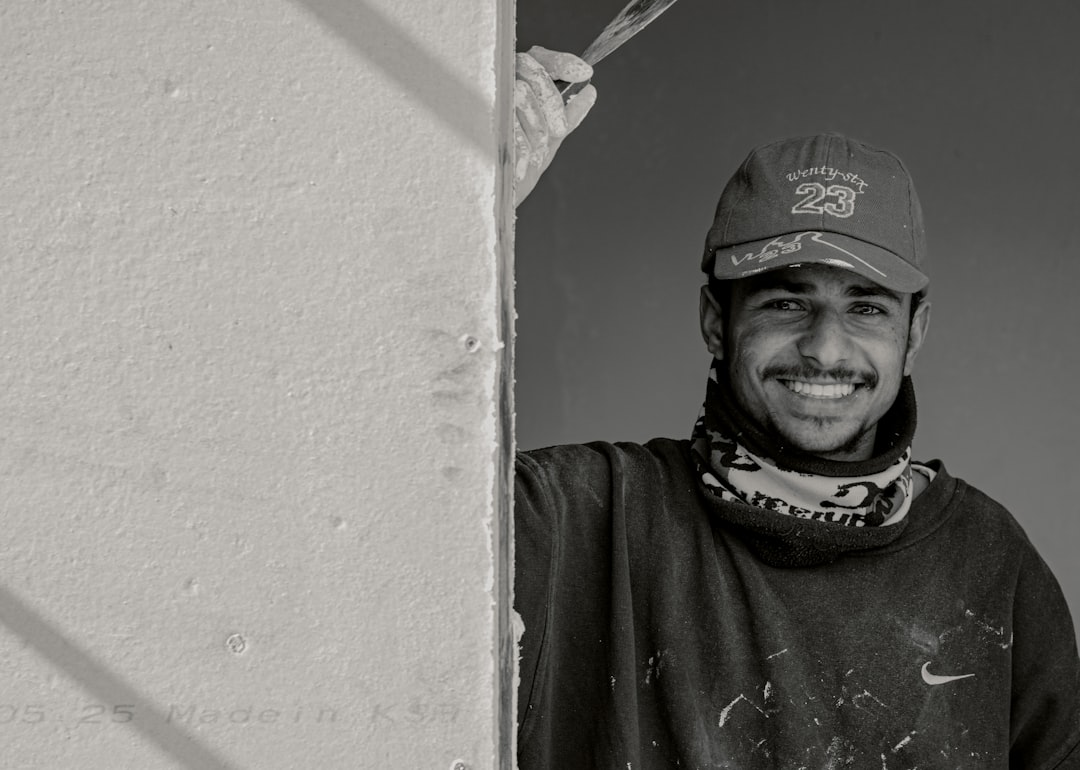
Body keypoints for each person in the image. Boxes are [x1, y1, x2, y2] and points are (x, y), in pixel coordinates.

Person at [512, 48, 1080, 768]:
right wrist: (461, 206)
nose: (824, 347)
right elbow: (367, 506)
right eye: (786, 302)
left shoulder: (990, 561)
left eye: (867, 308)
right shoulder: (581, 517)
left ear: (914, 335)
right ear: (717, 322)